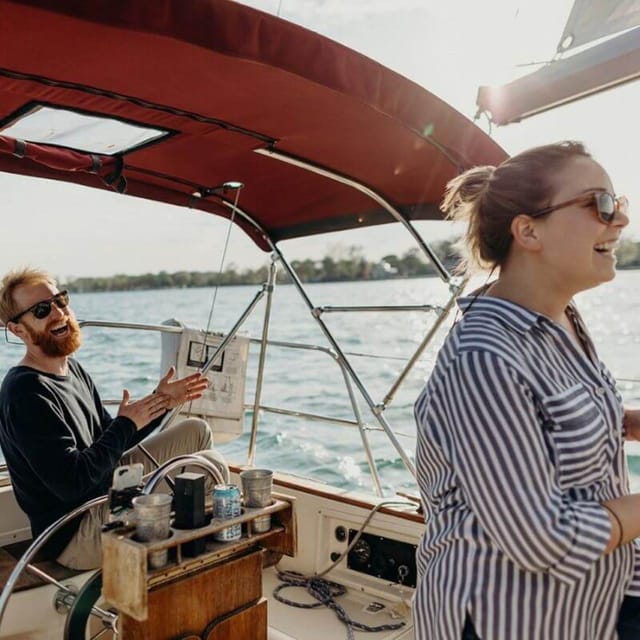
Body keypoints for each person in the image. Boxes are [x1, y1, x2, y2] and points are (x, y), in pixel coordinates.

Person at [413, 141, 640, 639]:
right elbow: (544, 538)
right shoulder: (484, 357)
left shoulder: (559, 317)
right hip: (508, 616)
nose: (620, 220)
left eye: (617, 204)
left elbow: (548, 419)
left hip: (590, 602)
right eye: (601, 204)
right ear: (528, 231)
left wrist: (630, 421)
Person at [0, 268, 228, 570]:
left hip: (105, 489)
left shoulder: (72, 369)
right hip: (76, 531)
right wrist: (125, 424)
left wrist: (161, 403)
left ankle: (182, 541)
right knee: (212, 466)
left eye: (60, 300)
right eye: (42, 310)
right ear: (19, 330)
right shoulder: (25, 392)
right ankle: (193, 566)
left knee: (196, 431)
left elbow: (108, 439)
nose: (58, 312)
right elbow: (72, 483)